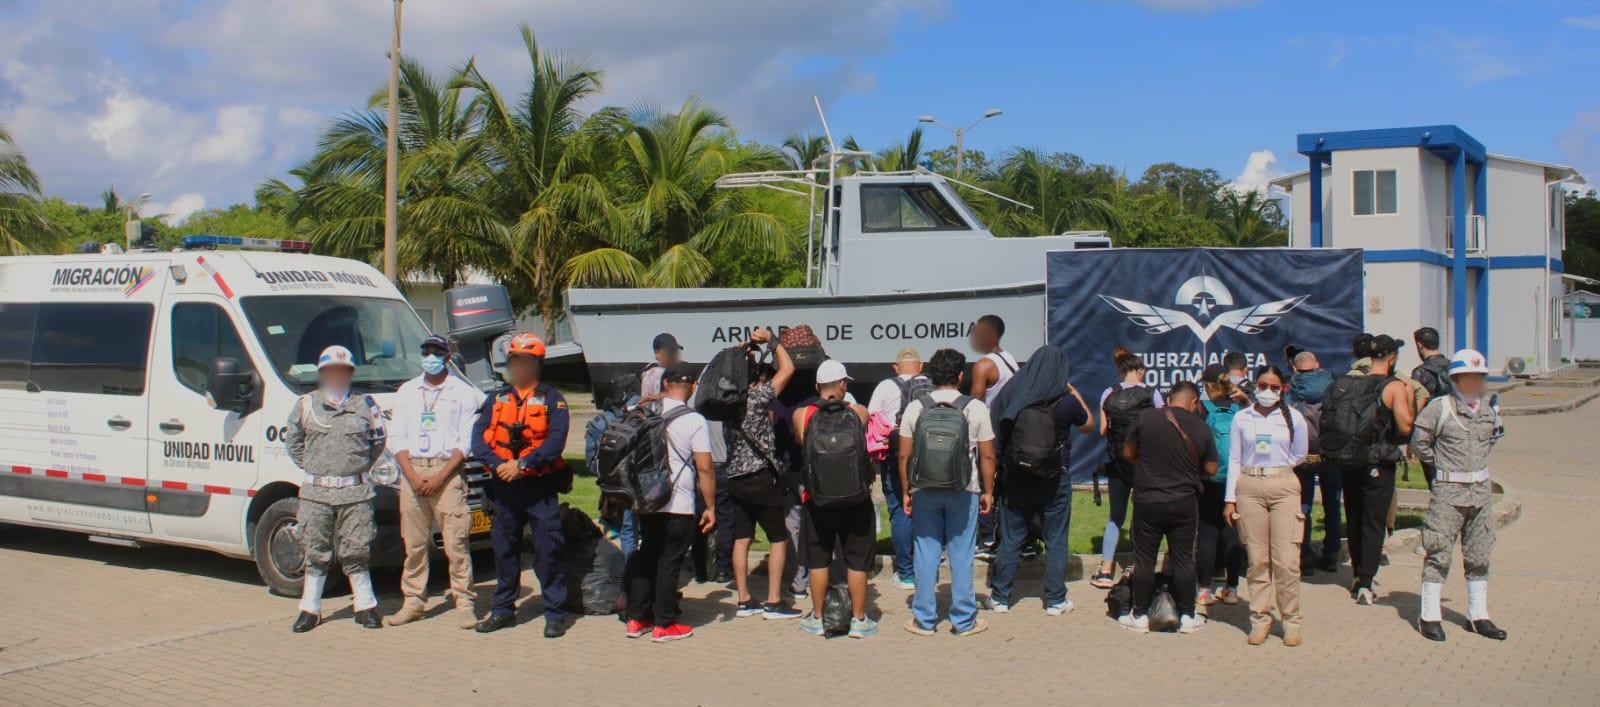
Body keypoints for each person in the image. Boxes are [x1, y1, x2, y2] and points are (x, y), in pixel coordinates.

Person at [469, 332, 572, 637]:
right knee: (503, 550)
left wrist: (523, 465)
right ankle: (503, 610)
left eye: (527, 360)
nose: (520, 366)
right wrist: (501, 465)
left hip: (538, 488)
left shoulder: (554, 399)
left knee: (548, 550)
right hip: (504, 488)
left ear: (537, 363)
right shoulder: (496, 399)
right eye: (516, 360)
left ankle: (554, 613)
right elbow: (478, 438)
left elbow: (555, 442)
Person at [284, 345, 388, 633]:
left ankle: (365, 606)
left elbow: (378, 442)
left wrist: (354, 469)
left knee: (357, 549)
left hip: (354, 494)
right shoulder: (306, 404)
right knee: (315, 550)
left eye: (343, 370)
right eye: (331, 370)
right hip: (316, 494)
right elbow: (293, 443)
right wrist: (319, 468)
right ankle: (310, 609)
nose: (337, 375)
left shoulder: (366, 405)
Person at [386, 335, 486, 629]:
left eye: (437, 352)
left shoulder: (462, 392)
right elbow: (396, 437)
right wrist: (413, 475)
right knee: (414, 544)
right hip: (412, 470)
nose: (431, 357)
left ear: (447, 357)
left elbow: (465, 441)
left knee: (456, 542)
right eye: (426, 352)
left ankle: (465, 601)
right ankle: (414, 601)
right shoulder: (406, 391)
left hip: (448, 471)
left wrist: (441, 476)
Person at [986, 345, 1093, 615]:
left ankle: (1000, 598)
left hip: (1017, 477)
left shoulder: (1013, 393)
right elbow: (1089, 424)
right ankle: (1056, 601)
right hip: (1055, 478)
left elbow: (997, 431)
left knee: (1011, 538)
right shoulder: (1066, 401)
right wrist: (1073, 391)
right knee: (1056, 539)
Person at [898, 348, 997, 637]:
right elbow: (988, 456)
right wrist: (988, 491)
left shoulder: (916, 407)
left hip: (924, 489)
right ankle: (964, 620)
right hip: (964, 489)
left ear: (930, 374)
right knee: (962, 554)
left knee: (926, 552)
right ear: (961, 376)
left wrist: (907, 491)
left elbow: (904, 455)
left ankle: (924, 619)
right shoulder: (975, 407)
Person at [1413, 350, 1507, 642]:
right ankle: (1429, 615)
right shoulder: (1440, 408)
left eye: (1478, 377)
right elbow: (1420, 445)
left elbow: (1489, 444)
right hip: (1448, 494)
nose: (1473, 382)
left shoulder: (1488, 410)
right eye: (1467, 377)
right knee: (1439, 552)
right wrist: (1445, 468)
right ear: (1454, 379)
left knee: (1479, 554)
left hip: (1479, 494)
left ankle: (1477, 615)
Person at [622, 363, 717, 642]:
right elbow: (705, 468)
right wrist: (710, 507)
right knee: (669, 561)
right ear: (693, 386)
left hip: (647, 500)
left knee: (646, 555)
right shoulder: (694, 420)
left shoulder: (644, 411)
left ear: (664, 384)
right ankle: (664, 623)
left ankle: (636, 619)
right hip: (679, 501)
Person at [1118, 381, 1216, 634]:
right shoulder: (1202, 428)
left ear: (1169, 397)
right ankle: (1188, 616)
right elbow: (1212, 469)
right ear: (1194, 402)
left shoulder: (1146, 419)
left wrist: (1150, 463)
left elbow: (1128, 452)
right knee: (1184, 560)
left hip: (1147, 500)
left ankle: (1138, 615)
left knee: (1144, 559)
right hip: (1183, 502)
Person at [791, 360, 879, 638]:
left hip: (817, 500)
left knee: (818, 560)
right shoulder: (858, 412)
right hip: (856, 500)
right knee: (856, 561)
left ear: (817, 387)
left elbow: (802, 443)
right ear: (843, 385)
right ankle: (859, 619)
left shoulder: (802, 415)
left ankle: (818, 617)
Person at [1325, 333, 1415, 606]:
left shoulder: (1350, 384)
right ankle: (1366, 582)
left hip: (1351, 460)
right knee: (1373, 523)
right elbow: (1405, 426)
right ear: (1391, 358)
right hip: (1379, 462)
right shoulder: (1393, 387)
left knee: (1353, 516)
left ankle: (1355, 575)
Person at [1224, 365, 1309, 646]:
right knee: (1257, 559)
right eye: (1263, 385)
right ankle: (1259, 619)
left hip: (1283, 485)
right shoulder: (1242, 417)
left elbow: (1300, 454)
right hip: (1249, 486)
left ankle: (1291, 621)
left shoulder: (1293, 417)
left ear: (1282, 389)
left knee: (1286, 560)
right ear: (1255, 385)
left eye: (1274, 387)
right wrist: (1230, 499)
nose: (1268, 392)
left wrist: (1279, 469)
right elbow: (1235, 458)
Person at [725, 328, 803, 620]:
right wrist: (771, 340)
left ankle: (744, 599)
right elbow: (788, 368)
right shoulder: (757, 398)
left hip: (734, 477)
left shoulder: (726, 403)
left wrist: (740, 350)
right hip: (760, 476)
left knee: (742, 538)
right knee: (778, 537)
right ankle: (773, 601)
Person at [1092, 347, 1165, 588]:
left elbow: (1103, 430)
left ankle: (1105, 569)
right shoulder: (1152, 394)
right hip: (1145, 465)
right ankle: (1137, 565)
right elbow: (1162, 426)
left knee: (1115, 517)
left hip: (1117, 464)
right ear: (1140, 370)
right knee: (1142, 516)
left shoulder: (1108, 394)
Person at [866, 347, 931, 589]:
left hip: (894, 456)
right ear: (921, 365)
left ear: (895, 367)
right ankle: (927, 568)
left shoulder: (885, 386)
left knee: (899, 511)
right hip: (928, 457)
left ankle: (906, 573)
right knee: (927, 511)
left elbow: (871, 419)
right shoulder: (933, 387)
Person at [969, 314, 1018, 560]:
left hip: (986, 434)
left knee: (983, 485)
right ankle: (1001, 536)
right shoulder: (1011, 360)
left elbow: (974, 404)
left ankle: (988, 539)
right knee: (1003, 486)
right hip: (1009, 432)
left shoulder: (984, 365)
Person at [1287, 351, 1341, 575]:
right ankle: (1331, 554)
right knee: (1333, 505)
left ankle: (1305, 556)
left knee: (1303, 506)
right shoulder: (1333, 386)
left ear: (1296, 368)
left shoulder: (1292, 389)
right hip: (1330, 453)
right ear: (1317, 364)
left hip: (1302, 455)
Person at [1196, 364, 1246, 607]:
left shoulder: (1200, 409)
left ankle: (1204, 590)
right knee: (1232, 533)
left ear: (1206, 385)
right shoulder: (1240, 409)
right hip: (1235, 481)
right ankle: (1232, 588)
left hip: (1208, 479)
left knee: (1206, 532)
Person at [1410, 327, 1453, 489]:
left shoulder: (1420, 372)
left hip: (1431, 431)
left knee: (1434, 479)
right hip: (1453, 428)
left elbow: (1417, 408)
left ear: (1420, 346)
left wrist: (1412, 441)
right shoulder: (1452, 367)